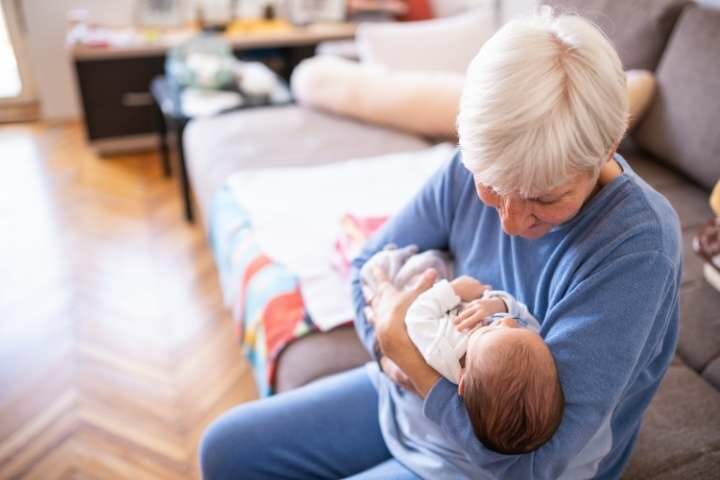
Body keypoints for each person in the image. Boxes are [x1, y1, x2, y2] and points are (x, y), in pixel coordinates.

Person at [199, 9, 681, 479]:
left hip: (496, 465)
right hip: (408, 400)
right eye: (492, 188)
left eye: (543, 198)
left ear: (609, 148)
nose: (510, 223)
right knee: (225, 448)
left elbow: (538, 463)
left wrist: (405, 351)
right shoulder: (471, 164)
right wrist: (391, 358)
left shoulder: (638, 247)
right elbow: (369, 260)